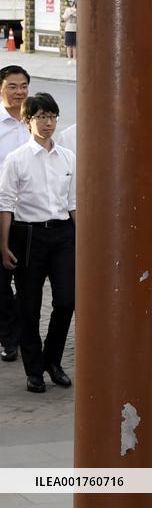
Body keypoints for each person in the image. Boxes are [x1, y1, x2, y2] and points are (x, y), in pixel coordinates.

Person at [0, 93, 76, 393]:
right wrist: (3, 245)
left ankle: (53, 361)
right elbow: (5, 203)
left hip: (63, 235)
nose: (48, 123)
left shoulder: (69, 157)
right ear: (27, 120)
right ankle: (34, 369)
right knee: (29, 306)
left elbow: (74, 202)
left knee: (67, 301)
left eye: (52, 117)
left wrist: (81, 238)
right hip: (27, 235)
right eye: (41, 117)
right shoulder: (16, 159)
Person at [0, 65, 30, 363]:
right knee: (1, 282)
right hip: (1, 210)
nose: (19, 92)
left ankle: (21, 332)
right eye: (12, 86)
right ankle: (9, 337)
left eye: (23, 86)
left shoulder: (34, 121)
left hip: (30, 215)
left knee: (27, 280)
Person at [62, 0, 78, 65]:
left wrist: (74, 13)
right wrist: (70, 14)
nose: (71, 3)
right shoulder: (67, 10)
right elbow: (64, 18)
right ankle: (69, 59)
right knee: (68, 45)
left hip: (75, 29)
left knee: (75, 45)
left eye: (72, 2)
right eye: (70, 2)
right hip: (68, 29)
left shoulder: (77, 9)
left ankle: (74, 58)